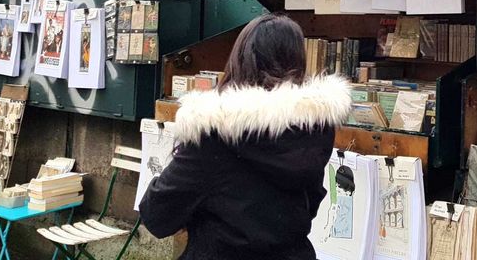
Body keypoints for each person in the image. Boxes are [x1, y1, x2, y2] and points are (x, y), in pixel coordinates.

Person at [140, 13, 352, 260]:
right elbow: (311, 203)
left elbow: (156, 215)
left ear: (240, 59)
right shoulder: (316, 130)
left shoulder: (215, 132)